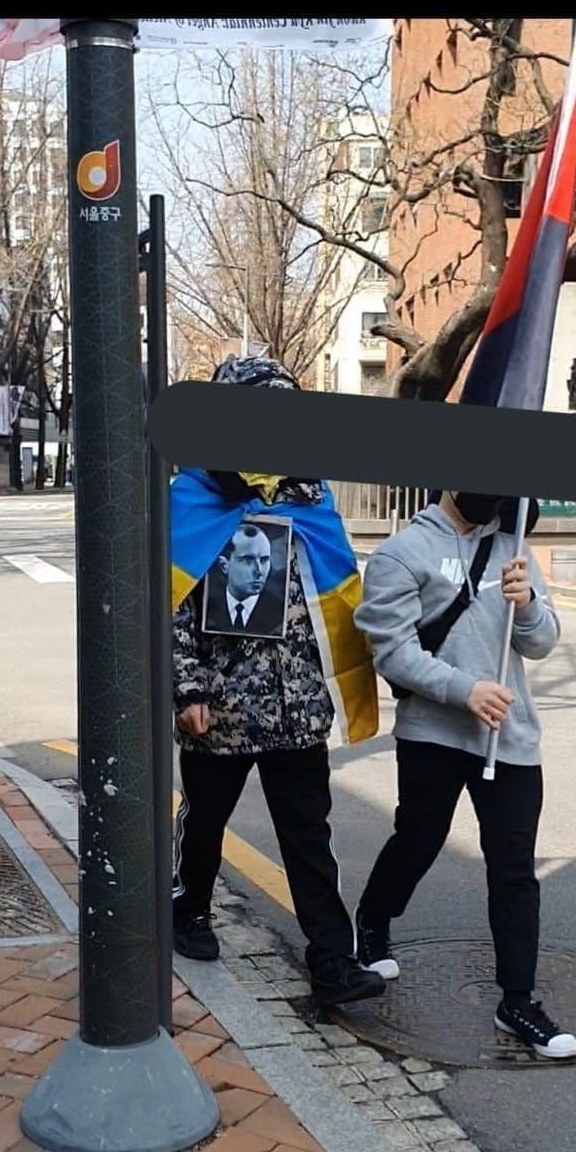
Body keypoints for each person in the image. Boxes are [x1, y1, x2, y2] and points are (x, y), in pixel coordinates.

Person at [170, 353, 384, 1011]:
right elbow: (171, 604)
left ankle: (331, 963)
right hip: (222, 708)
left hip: (297, 708)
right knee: (205, 821)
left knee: (308, 839)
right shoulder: (194, 495)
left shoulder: (309, 495)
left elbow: (338, 591)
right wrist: (189, 688)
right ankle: (188, 910)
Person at [353, 488, 576, 1060]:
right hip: (434, 734)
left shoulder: (514, 545)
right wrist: (464, 689)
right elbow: (392, 652)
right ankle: (374, 919)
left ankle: (518, 1002)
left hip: (511, 737)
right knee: (419, 838)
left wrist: (526, 603)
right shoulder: (404, 552)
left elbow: (544, 641)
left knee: (513, 870)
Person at [203, 523, 286, 636]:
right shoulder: (207, 608)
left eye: (264, 560)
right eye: (248, 560)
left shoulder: (279, 613)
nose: (259, 571)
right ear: (224, 565)